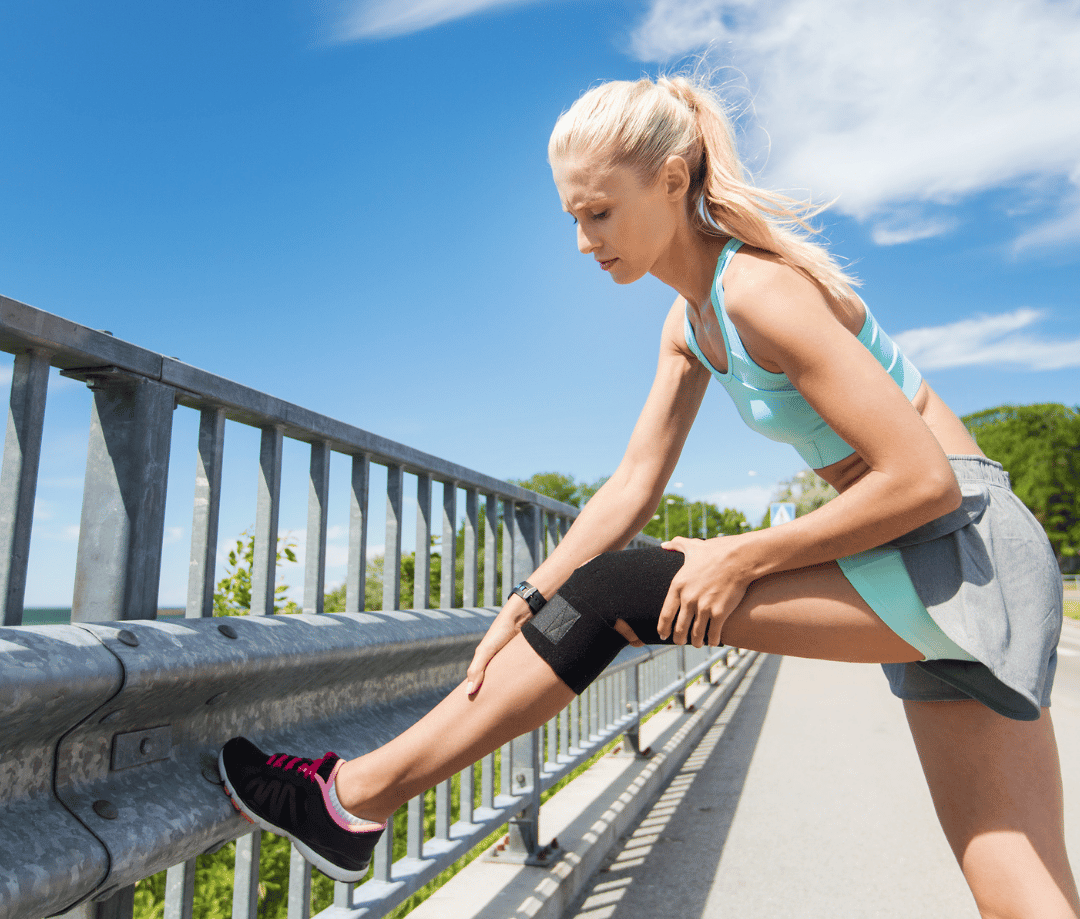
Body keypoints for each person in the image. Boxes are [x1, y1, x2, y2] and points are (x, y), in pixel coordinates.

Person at [219, 75, 1077, 917]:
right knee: (1018, 888)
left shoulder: (758, 291)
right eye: (573, 218)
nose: (585, 241)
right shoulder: (691, 322)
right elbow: (632, 484)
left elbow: (921, 479)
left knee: (623, 593)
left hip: (963, 546)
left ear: (672, 182)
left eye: (600, 212)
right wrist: (527, 599)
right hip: (935, 558)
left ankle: (353, 797)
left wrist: (740, 554)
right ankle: (355, 800)